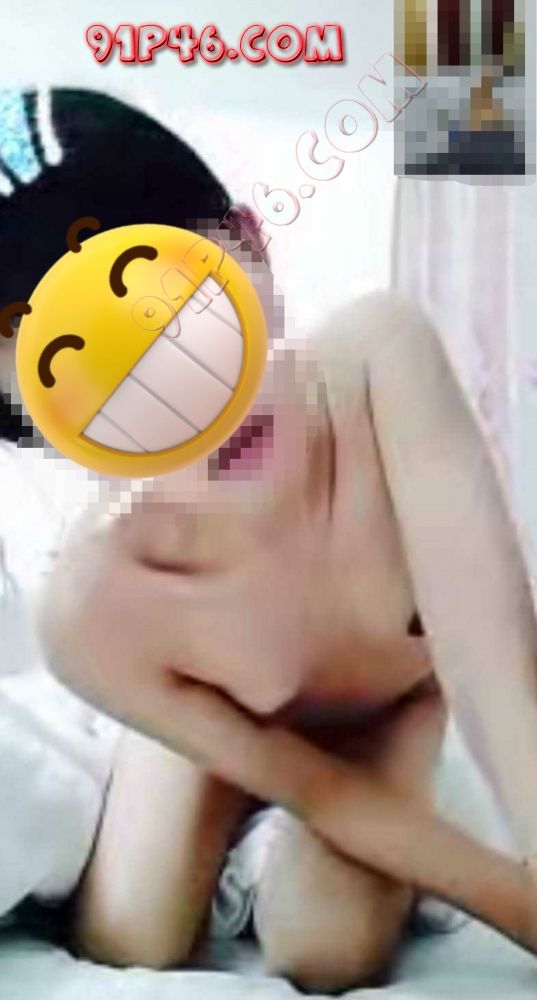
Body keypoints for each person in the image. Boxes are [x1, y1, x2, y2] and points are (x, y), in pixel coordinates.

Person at [2, 88, 537, 993]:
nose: (196, 403)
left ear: (253, 243)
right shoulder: (93, 608)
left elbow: (497, 675)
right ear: (50, 436)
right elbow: (309, 787)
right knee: (132, 936)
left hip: (386, 710)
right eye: (100, 385)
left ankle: (268, 832)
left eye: (184, 309)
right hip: (225, 719)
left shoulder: (378, 357)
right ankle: (186, 755)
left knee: (324, 949)